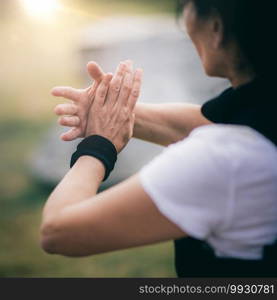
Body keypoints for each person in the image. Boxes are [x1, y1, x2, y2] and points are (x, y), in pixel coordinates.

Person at [40, 0, 277, 277]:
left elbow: (58, 231)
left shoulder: (226, 160)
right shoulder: (259, 117)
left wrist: (99, 143)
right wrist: (116, 115)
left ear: (216, 26)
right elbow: (206, 123)